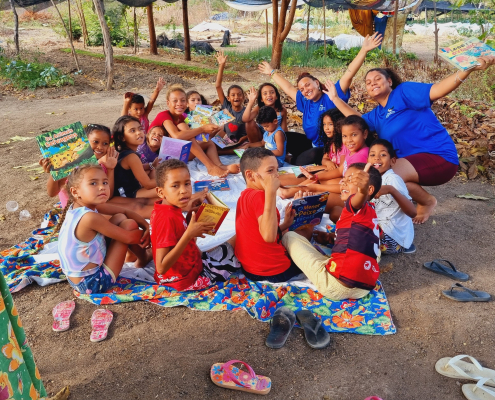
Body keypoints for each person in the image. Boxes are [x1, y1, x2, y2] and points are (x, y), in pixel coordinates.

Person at [323, 55, 495, 223]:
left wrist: (467, 70)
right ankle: (426, 201)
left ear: (389, 81)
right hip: (413, 163)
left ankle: (362, 217)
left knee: (381, 176)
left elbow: (438, 89)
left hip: (439, 156)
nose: (372, 83)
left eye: (377, 79)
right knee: (386, 174)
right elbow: (357, 122)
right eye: (368, 82)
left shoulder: (403, 92)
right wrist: (335, 99)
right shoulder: (377, 114)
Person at [257, 32, 382, 165]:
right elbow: (288, 88)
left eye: (307, 85)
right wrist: (271, 72)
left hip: (330, 148)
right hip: (312, 144)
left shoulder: (331, 95)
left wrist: (363, 50)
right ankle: (292, 156)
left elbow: (349, 74)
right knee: (285, 136)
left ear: (316, 83)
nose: (305, 90)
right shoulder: (306, 102)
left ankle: (292, 159)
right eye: (302, 89)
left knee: (305, 158)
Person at [282, 163, 382, 300]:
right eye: (344, 178)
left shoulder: (353, 204)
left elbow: (358, 199)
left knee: (289, 236)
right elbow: (362, 240)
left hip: (335, 286)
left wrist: (362, 191)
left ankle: (305, 229)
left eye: (351, 179)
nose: (343, 182)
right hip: (363, 289)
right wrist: (330, 237)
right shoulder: (372, 213)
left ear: (369, 189)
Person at [54, 164, 151, 294]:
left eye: (105, 182)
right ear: (75, 192)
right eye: (93, 183)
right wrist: (152, 234)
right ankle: (143, 258)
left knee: (120, 217)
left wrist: (146, 225)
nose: (102, 187)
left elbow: (125, 211)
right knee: (128, 225)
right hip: (93, 283)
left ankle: (136, 256)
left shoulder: (78, 206)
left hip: (77, 280)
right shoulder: (89, 217)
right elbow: (129, 238)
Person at [151, 159, 240, 291]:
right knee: (238, 242)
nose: (183, 190)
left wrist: (190, 217)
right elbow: (161, 267)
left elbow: (179, 236)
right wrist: (189, 234)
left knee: (232, 242)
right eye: (175, 186)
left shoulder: (168, 208)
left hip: (190, 266)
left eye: (187, 183)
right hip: (186, 281)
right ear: (160, 192)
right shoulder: (166, 218)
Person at [235, 147, 305, 283]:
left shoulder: (244, 195)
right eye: (270, 171)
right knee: (304, 233)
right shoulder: (261, 196)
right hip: (275, 270)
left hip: (249, 269)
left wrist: (285, 224)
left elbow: (259, 231)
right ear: (250, 175)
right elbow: (268, 237)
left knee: (290, 231)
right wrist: (270, 192)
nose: (276, 175)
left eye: (277, 170)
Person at [278, 115, 372, 208]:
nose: (349, 140)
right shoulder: (352, 151)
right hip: (344, 184)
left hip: (349, 192)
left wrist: (317, 186)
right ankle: (290, 190)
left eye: (354, 135)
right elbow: (340, 170)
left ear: (365, 134)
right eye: (344, 136)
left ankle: (289, 191)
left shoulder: (360, 156)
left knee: (314, 189)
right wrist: (316, 176)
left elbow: (351, 187)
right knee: (318, 179)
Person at [149, 85, 240, 177]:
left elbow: (190, 134)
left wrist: (208, 128)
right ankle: (210, 167)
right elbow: (177, 136)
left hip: (173, 155)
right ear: (168, 103)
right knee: (186, 135)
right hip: (157, 158)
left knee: (208, 143)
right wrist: (202, 129)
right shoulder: (164, 115)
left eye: (182, 100)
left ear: (186, 103)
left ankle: (220, 165)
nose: (179, 103)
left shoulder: (181, 118)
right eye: (175, 101)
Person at [39, 124, 118, 208]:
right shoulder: (71, 168)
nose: (100, 147)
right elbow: (52, 193)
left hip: (96, 207)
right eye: (95, 142)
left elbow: (108, 196)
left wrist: (110, 169)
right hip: (77, 210)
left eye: (105, 143)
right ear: (84, 141)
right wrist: (54, 171)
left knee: (122, 211)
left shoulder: (103, 166)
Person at [369, 139, 417, 254]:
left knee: (359, 236)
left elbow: (412, 212)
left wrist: (392, 190)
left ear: (393, 161)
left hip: (392, 236)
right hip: (378, 226)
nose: (377, 158)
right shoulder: (369, 178)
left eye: (383, 155)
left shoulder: (393, 180)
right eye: (372, 155)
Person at [215, 50, 262, 144]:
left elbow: (251, 129)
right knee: (211, 145)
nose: (236, 97)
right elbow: (218, 86)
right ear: (228, 98)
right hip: (228, 141)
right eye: (233, 95)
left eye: (239, 94)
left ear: (244, 97)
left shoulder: (246, 111)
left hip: (244, 142)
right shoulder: (226, 107)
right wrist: (221, 65)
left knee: (241, 147)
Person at [112, 115, 160, 199]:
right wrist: (169, 179)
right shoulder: (131, 157)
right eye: (132, 130)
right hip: (128, 194)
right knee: (167, 190)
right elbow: (148, 184)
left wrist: (152, 165)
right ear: (122, 137)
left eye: (140, 129)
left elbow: (138, 168)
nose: (139, 132)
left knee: (153, 171)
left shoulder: (123, 151)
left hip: (128, 189)